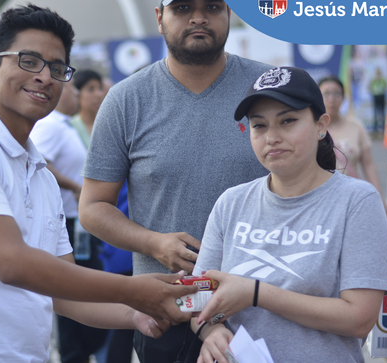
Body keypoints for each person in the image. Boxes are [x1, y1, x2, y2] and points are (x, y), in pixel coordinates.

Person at [0, 5, 196, 362]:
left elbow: (65, 292)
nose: (45, 76)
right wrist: (135, 290)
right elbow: (10, 262)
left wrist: (137, 313)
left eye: (57, 68)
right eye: (29, 60)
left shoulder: (39, 172)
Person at [78, 0, 272, 361]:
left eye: (212, 6)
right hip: (169, 312)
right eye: (182, 7)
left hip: (266, 309)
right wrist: (154, 244)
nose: (198, 17)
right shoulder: (125, 100)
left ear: (228, 14)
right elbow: (91, 208)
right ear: (159, 17)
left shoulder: (268, 87)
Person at [192, 67, 387, 363]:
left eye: (288, 121)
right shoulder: (231, 203)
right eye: (259, 126)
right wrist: (211, 332)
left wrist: (256, 293)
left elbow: (360, 317)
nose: (272, 137)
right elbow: (197, 299)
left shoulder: (357, 201)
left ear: (321, 125)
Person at [31, 80, 110, 363]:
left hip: (75, 223)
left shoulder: (65, 126)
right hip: (67, 222)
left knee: (80, 288)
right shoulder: (51, 126)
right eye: (75, 90)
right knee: (72, 292)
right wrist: (76, 188)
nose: (77, 95)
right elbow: (40, 161)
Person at [318, 76, 384, 195]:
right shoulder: (312, 128)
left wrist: (378, 195)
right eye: (326, 94)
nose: (331, 99)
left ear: (343, 97)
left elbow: (368, 163)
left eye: (336, 94)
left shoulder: (356, 126)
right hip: (322, 196)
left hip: (352, 196)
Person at [70, 69, 104, 147]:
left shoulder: (109, 125)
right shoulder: (71, 127)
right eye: (91, 89)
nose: (99, 94)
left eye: (100, 88)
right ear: (77, 93)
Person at [369, 68, 387, 133]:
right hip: (376, 97)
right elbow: (370, 87)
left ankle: (383, 126)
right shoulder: (374, 81)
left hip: (381, 96)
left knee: (382, 112)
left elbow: (385, 87)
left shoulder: (382, 80)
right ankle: (375, 127)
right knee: (375, 113)